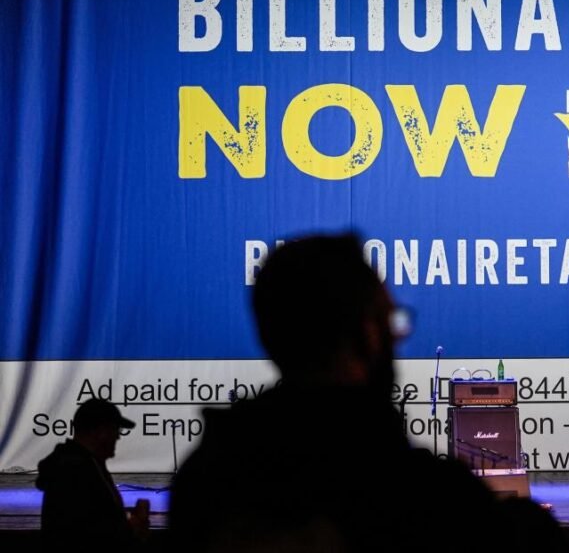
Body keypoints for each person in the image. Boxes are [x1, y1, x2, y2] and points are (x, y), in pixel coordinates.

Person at [169, 233, 501, 551]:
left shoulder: (204, 484)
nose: (398, 338)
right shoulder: (436, 503)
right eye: (389, 322)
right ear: (367, 335)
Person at [35, 398, 149, 551]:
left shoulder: (80, 466)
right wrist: (132, 528)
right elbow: (89, 534)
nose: (118, 437)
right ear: (100, 432)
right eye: (115, 430)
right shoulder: (77, 472)